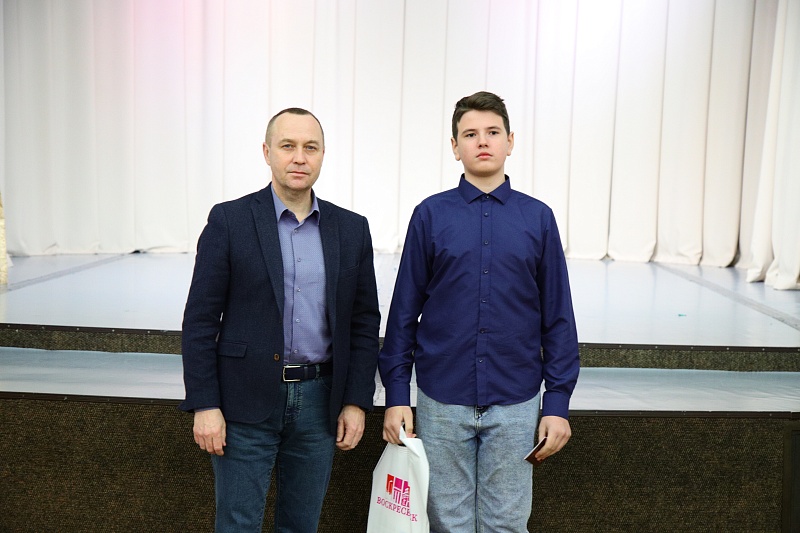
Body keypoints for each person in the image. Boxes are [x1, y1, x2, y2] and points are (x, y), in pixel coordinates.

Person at [379, 91, 580, 532]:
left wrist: (557, 402)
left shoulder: (538, 218)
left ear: (511, 141)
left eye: (492, 132)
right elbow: (403, 313)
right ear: (455, 147)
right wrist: (396, 395)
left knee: (506, 525)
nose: (482, 141)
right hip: (441, 399)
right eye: (470, 134)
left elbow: (558, 318)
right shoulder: (430, 216)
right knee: (445, 524)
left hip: (516, 400)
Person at [180, 107, 380, 533]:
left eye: (311, 147)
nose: (299, 157)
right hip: (243, 401)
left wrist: (355, 401)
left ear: (323, 154)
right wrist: (205, 403)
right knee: (237, 524)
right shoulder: (230, 221)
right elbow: (199, 321)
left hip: (319, 404)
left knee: (301, 525)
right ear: (267, 152)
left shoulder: (351, 229)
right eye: (288, 146)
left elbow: (364, 324)